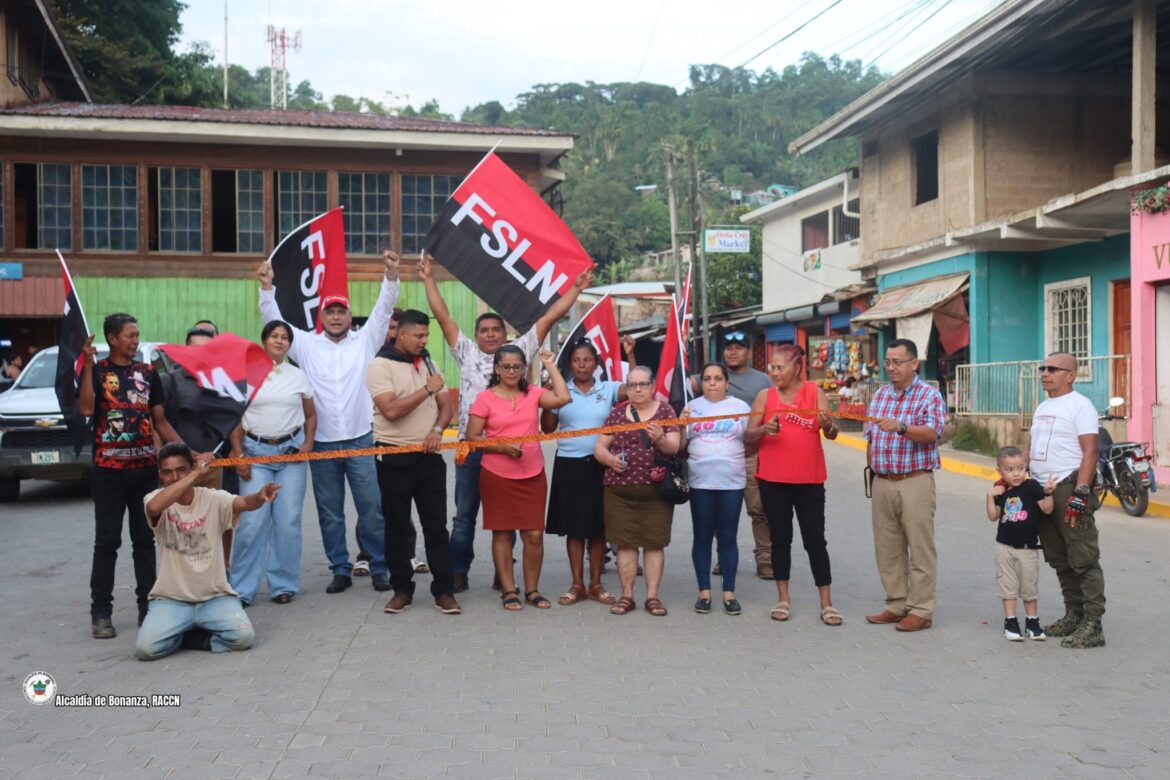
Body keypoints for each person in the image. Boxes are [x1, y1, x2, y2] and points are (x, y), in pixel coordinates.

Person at [418, 251, 590, 592]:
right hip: (474, 445)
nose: (491, 335)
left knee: (510, 518)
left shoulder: (520, 350)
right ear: (477, 334)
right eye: (485, 330)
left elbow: (552, 315)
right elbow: (443, 317)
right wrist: (427, 279)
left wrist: (577, 288)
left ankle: (505, 575)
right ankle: (458, 570)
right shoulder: (465, 351)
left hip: (515, 451)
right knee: (465, 514)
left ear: (505, 335)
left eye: (497, 330)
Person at [256, 250, 400, 594]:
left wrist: (391, 277)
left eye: (341, 312)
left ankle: (380, 566)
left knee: (371, 508)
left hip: (361, 439)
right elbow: (273, 322)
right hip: (321, 443)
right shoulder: (304, 344)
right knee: (330, 512)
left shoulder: (365, 340)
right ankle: (340, 568)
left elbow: (382, 311)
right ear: (322, 316)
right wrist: (266, 289)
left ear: (350, 316)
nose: (336, 317)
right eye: (330, 312)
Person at [79, 313, 183, 639]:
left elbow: (160, 421)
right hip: (109, 474)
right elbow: (85, 409)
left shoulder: (148, 374)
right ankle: (101, 613)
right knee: (107, 542)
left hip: (144, 473)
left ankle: (147, 608)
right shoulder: (97, 372)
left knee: (144, 542)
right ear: (112, 338)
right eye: (129, 335)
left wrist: (186, 452)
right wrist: (85, 364)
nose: (135, 340)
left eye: (137, 334)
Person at [135, 446, 277, 660]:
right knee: (146, 649)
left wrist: (259, 497)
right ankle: (181, 631)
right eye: (168, 472)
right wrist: (194, 475)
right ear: (160, 475)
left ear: (191, 467)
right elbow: (154, 509)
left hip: (215, 597)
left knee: (243, 638)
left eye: (181, 470)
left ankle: (191, 639)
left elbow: (244, 503)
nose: (174, 477)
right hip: (171, 599)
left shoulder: (212, 498)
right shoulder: (154, 498)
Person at [366, 309, 461, 615]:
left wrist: (437, 430)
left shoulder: (428, 361)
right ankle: (402, 590)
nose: (424, 340)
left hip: (429, 457)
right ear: (401, 334)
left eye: (426, 335)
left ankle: (444, 590)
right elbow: (391, 411)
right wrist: (427, 389)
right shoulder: (380, 365)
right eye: (419, 335)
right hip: (393, 456)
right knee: (397, 527)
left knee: (436, 526)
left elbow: (447, 406)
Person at [466, 346, 570, 610]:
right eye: (506, 366)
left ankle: (532, 590)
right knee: (502, 533)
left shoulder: (533, 393)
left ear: (524, 368)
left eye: (516, 366)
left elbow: (562, 397)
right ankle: (509, 590)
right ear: (497, 369)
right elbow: (472, 438)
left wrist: (550, 365)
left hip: (532, 472)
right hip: (496, 474)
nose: (511, 371)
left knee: (534, 534)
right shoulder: (484, 398)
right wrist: (501, 447)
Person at [746, 345, 841, 624]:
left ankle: (827, 602)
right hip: (773, 481)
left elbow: (832, 433)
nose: (773, 372)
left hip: (809, 480)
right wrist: (764, 429)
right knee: (780, 540)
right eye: (771, 368)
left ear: (797, 368)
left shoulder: (814, 393)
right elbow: (748, 436)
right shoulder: (765, 396)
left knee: (815, 541)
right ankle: (783, 599)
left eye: (779, 367)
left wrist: (828, 426)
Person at [227, 320, 316, 605]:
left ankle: (283, 585)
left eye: (285, 337)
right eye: (274, 336)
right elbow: (235, 417)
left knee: (288, 521)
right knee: (252, 522)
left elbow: (311, 415)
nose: (280, 341)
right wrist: (238, 453)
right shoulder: (246, 374)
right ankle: (242, 589)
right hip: (255, 454)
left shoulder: (298, 376)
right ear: (264, 340)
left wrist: (308, 444)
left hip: (291, 455)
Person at [540, 338, 634, 606]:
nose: (582, 365)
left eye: (588, 360)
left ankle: (596, 584)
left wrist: (631, 354)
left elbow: (638, 389)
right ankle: (577, 584)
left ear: (596, 364)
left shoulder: (609, 388)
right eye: (577, 360)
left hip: (601, 466)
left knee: (597, 527)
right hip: (569, 464)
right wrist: (548, 399)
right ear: (569, 364)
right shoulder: (562, 390)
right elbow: (547, 428)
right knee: (573, 528)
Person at [863, 338, 946, 632]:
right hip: (883, 481)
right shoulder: (880, 396)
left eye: (897, 362)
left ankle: (921, 609)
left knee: (920, 547)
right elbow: (870, 438)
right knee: (887, 546)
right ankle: (896, 603)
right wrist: (872, 470)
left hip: (915, 480)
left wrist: (902, 427)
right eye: (888, 361)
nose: (891, 367)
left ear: (914, 364)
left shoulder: (928, 395)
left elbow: (933, 433)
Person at [1028, 351, 1106, 648]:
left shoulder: (1080, 406)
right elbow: (1032, 446)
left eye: (1053, 369)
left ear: (1071, 375)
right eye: (1043, 368)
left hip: (1068, 487)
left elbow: (1090, 452)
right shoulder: (1043, 406)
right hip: (1042, 489)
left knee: (1083, 557)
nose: (1045, 373)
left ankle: (1093, 623)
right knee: (1059, 558)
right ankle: (1073, 614)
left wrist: (1080, 494)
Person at [594, 366, 682, 617]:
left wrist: (660, 439)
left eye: (643, 384)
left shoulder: (666, 411)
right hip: (619, 492)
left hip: (657, 492)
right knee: (625, 544)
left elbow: (674, 448)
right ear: (627, 388)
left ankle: (653, 597)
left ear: (653, 386)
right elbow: (599, 447)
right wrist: (610, 461)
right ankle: (627, 596)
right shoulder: (616, 414)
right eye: (632, 385)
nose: (638, 389)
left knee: (654, 544)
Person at [691, 330, 772, 579]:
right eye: (728, 348)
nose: (733, 351)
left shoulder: (763, 381)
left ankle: (765, 559)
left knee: (758, 510)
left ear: (748, 351)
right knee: (718, 513)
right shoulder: (706, 377)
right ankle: (722, 558)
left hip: (751, 456)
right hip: (716, 458)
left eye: (739, 347)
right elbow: (670, 384)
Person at [353, 307, 427, 578]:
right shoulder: (369, 351)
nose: (392, 332)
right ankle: (366, 554)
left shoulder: (415, 358)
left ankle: (409, 553)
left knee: (400, 503)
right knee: (371, 500)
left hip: (397, 437)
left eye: (397, 327)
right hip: (365, 432)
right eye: (389, 327)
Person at [682, 363, 751, 615]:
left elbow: (750, 440)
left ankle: (729, 594)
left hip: (731, 482)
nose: (712, 383)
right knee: (702, 537)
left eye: (717, 378)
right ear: (701, 383)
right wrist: (681, 425)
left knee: (727, 537)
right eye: (707, 378)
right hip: (700, 482)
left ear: (726, 383)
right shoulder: (692, 407)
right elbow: (681, 443)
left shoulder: (741, 408)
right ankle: (704, 593)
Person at [986, 446, 1055, 641]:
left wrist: (1048, 493)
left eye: (1020, 468)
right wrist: (990, 496)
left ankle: (1032, 622)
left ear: (1026, 467)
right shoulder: (1001, 490)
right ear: (1000, 471)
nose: (1016, 473)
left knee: (1029, 587)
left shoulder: (1032, 486)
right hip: (1004, 547)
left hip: (1028, 549)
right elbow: (993, 516)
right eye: (1009, 469)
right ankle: (1011, 623)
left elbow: (1047, 510)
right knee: (1007, 586)